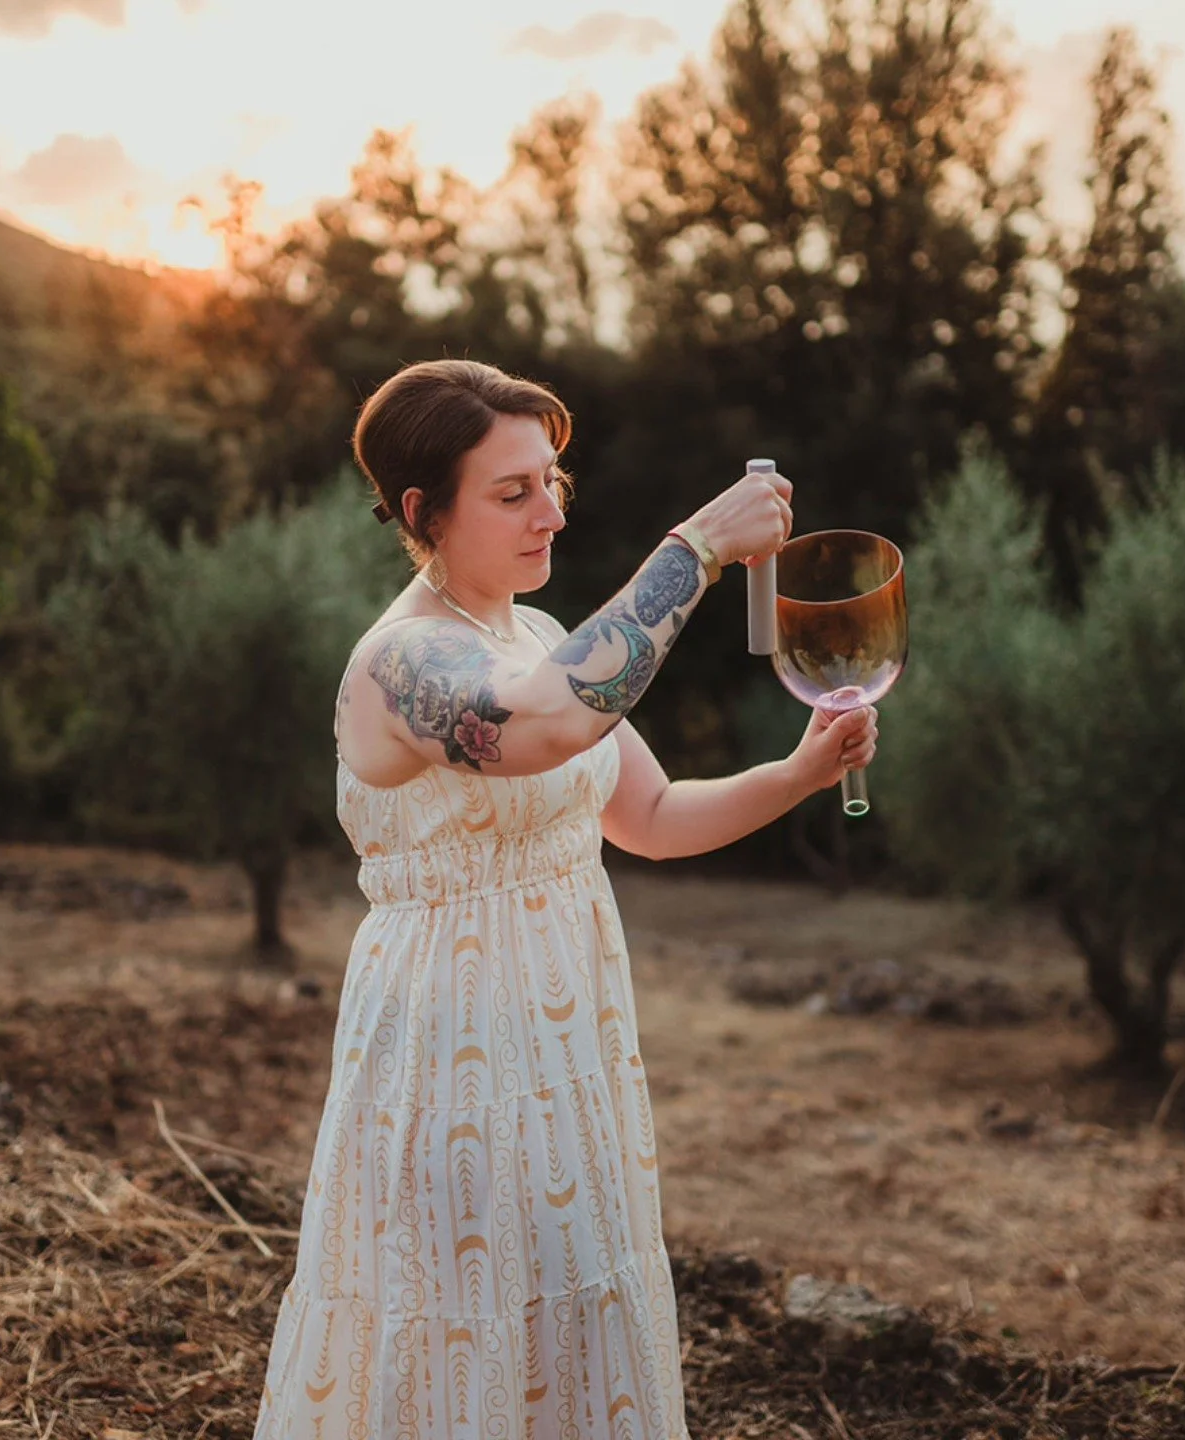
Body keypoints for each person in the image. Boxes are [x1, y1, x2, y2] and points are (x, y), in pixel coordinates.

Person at [251, 359, 878, 1439]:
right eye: (513, 492)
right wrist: (699, 547)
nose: (550, 513)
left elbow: (654, 817)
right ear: (423, 512)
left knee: (569, 1334)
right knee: (460, 1334)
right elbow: (546, 723)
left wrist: (798, 773)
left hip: (570, 1057)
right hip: (449, 1069)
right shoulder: (401, 662)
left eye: (553, 483)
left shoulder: (537, 638)